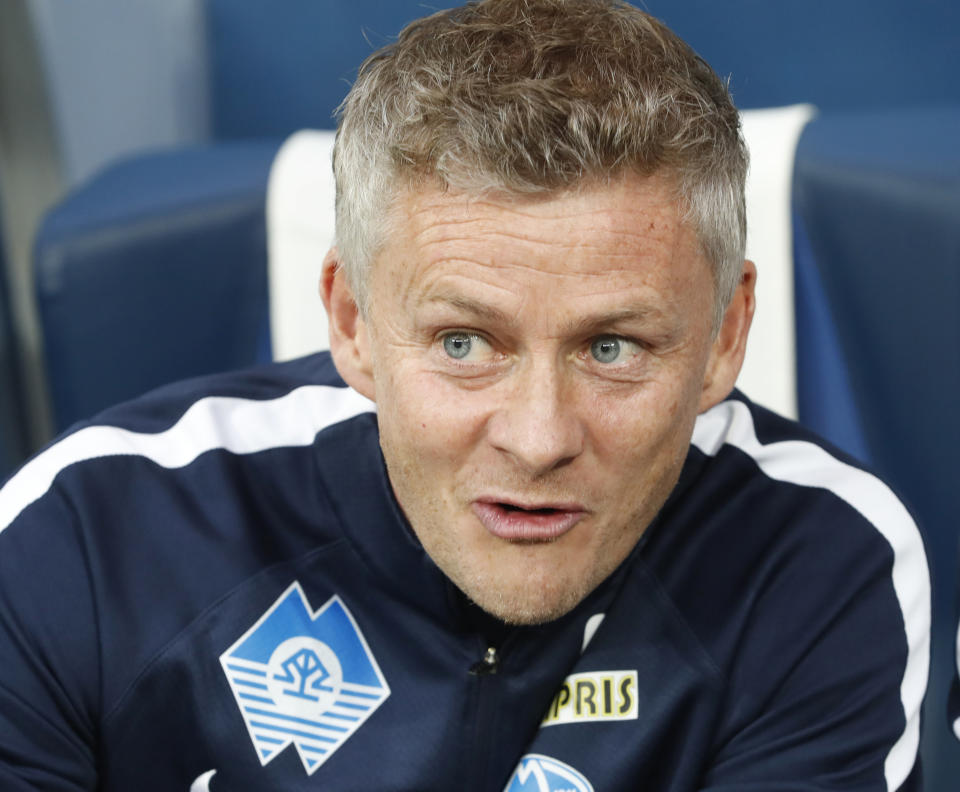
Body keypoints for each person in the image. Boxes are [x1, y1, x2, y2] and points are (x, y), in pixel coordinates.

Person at [0, 1, 930, 789]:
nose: (537, 439)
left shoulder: (817, 559)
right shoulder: (86, 537)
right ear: (353, 322)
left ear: (726, 334)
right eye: (464, 343)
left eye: (613, 347)